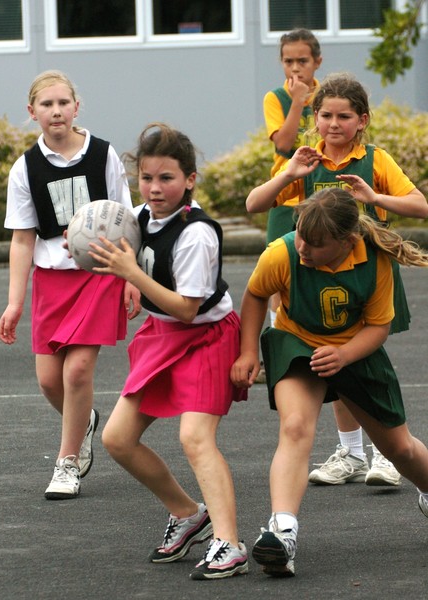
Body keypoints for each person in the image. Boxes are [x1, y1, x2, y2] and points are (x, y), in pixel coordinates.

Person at [232, 186, 428, 578]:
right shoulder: (283, 252)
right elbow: (255, 295)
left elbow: (378, 327)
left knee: (399, 449)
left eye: (316, 243)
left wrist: (344, 355)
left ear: (346, 241)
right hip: (297, 342)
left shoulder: (375, 260)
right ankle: (282, 532)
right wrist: (248, 351)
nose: (304, 247)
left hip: (354, 348)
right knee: (295, 427)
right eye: (301, 235)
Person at [246, 72, 428, 487]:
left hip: (364, 279)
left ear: (361, 120)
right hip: (312, 279)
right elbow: (255, 203)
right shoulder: (306, 161)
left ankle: (385, 450)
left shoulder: (375, 160)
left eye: (343, 116)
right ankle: (351, 450)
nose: (333, 124)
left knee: (364, 364)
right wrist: (289, 174)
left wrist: (375, 198)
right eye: (325, 114)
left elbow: (420, 205)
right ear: (314, 116)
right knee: (331, 362)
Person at [89, 123, 248, 580]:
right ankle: (186, 512)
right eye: (148, 178)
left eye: (167, 179)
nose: (155, 189)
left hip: (206, 337)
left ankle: (229, 543)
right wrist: (90, 249)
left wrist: (133, 277)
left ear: (190, 179)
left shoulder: (197, 234)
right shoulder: (138, 218)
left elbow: (186, 308)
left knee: (195, 438)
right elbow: (128, 260)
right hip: (162, 335)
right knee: (117, 439)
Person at [0, 70, 139, 500]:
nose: (56, 111)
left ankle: (67, 462)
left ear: (76, 107)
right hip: (52, 283)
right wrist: (14, 303)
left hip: (98, 275)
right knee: (48, 380)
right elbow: (23, 240)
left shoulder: (103, 155)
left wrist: (133, 276)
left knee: (78, 371)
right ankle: (85, 422)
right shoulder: (26, 168)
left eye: (63, 103)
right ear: (32, 112)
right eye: (46, 105)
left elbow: (128, 218)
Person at [260, 28, 322, 373]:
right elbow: (284, 146)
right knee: (278, 271)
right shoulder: (276, 98)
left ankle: (320, 341)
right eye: (288, 61)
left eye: (303, 61)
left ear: (317, 62)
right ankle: (279, 348)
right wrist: (297, 101)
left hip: (323, 196)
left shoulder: (331, 97)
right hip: (286, 198)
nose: (295, 69)